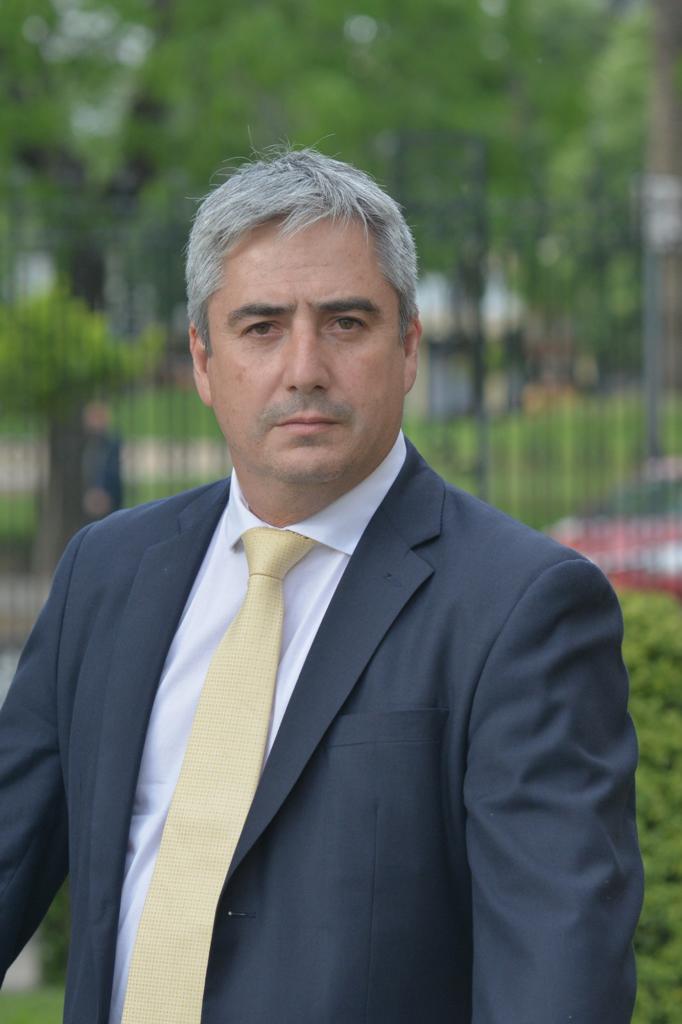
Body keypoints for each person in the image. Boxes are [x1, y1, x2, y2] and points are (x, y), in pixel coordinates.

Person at [0, 149, 642, 1023]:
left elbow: (555, 980)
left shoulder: (522, 608)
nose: (304, 367)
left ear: (407, 347)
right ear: (202, 360)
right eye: (261, 327)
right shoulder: (106, 573)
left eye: (345, 322)